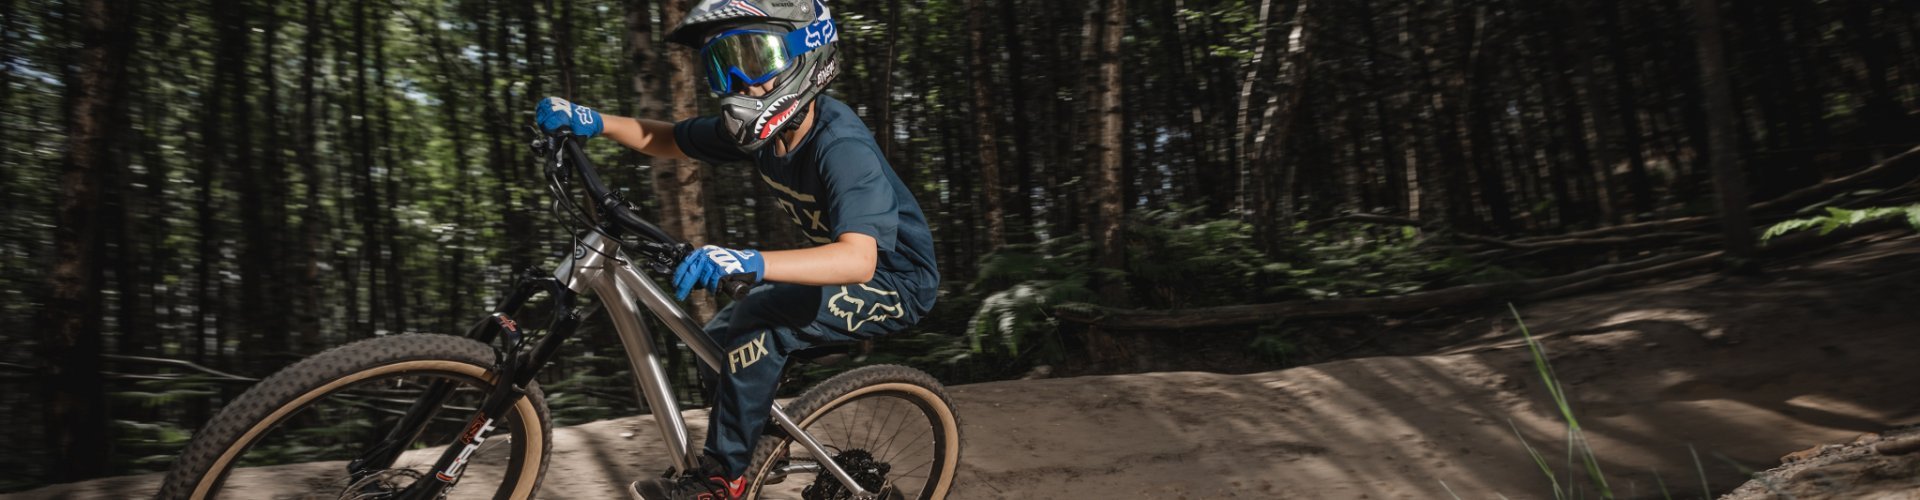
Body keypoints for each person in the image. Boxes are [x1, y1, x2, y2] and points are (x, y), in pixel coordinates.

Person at [531, 1, 938, 498]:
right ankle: (763, 447)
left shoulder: (841, 144)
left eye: (755, 56)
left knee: (756, 329)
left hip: (895, 283)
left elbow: (859, 258)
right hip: (844, 270)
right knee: (717, 338)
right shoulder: (762, 136)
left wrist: (749, 259)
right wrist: (594, 121)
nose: (739, 80)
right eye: (722, 64)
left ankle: (722, 481)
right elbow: (671, 138)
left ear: (807, 53)